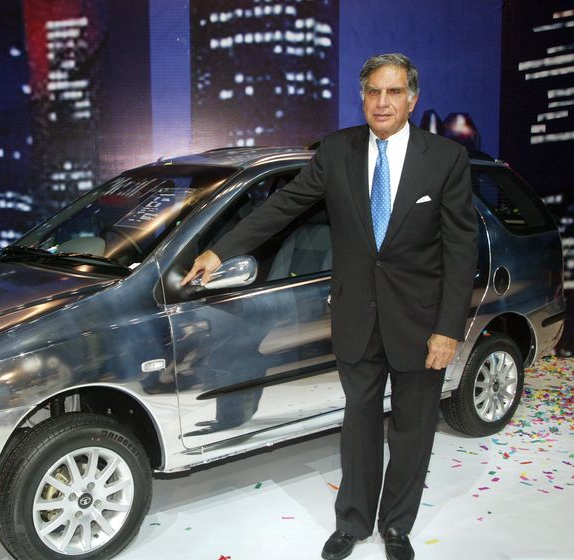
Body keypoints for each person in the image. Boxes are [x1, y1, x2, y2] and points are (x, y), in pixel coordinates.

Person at [181, 53, 478, 560]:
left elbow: (461, 248)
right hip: (356, 318)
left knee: (413, 430)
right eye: (372, 93)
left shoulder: (444, 159)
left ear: (412, 98)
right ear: (362, 98)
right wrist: (220, 249)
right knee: (359, 425)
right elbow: (283, 206)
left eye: (392, 92)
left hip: (423, 324)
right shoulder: (337, 151)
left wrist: (449, 328)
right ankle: (354, 523)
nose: (381, 102)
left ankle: (397, 526)